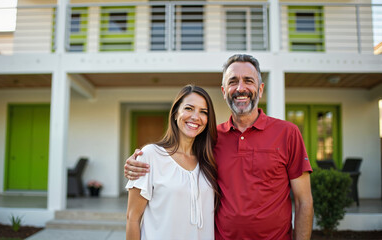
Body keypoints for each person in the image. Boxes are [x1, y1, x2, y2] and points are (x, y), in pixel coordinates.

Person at [125, 54, 314, 240]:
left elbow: (303, 201)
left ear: (261, 88)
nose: (241, 88)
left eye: (248, 80)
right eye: (233, 81)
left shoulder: (288, 133)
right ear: (224, 91)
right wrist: (137, 162)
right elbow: (175, 158)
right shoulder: (211, 139)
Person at [125, 85, 220, 240]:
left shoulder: (209, 160)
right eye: (189, 108)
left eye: (203, 112)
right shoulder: (150, 155)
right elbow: (132, 218)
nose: (196, 117)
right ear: (176, 113)